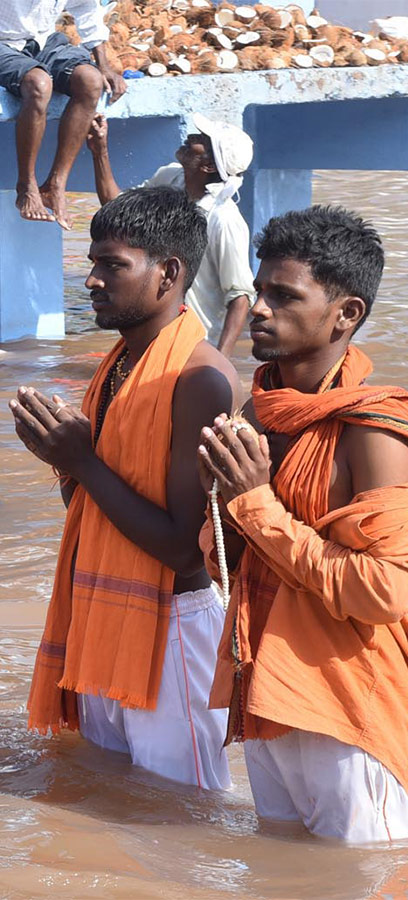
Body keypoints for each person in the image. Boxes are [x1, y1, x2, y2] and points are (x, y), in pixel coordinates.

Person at [13, 187, 236, 789]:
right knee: (109, 805)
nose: (91, 280)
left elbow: (185, 550)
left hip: (171, 629)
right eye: (93, 262)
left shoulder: (200, 378)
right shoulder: (117, 365)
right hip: (104, 611)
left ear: (168, 274)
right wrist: (64, 462)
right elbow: (91, 511)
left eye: (112, 265)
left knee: (182, 820)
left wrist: (81, 462)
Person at [197, 206, 408, 842]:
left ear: (346, 314)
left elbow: (384, 592)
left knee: (356, 880)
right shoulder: (257, 416)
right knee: (280, 878)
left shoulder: (372, 432)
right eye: (259, 291)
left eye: (284, 296)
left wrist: (257, 504)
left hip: (345, 710)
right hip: (262, 694)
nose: (258, 308)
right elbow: (225, 567)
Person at [0, 0, 125, 230]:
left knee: (91, 81)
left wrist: (104, 65)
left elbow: (87, 10)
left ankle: (55, 185)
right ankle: (27, 186)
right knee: (39, 84)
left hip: (44, 42)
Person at [88, 113, 255, 357]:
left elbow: (240, 296)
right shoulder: (171, 177)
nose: (191, 137)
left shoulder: (223, 219)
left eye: (201, 139)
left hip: (194, 342)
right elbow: (118, 210)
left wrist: (221, 359)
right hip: (154, 331)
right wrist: (99, 150)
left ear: (208, 165)